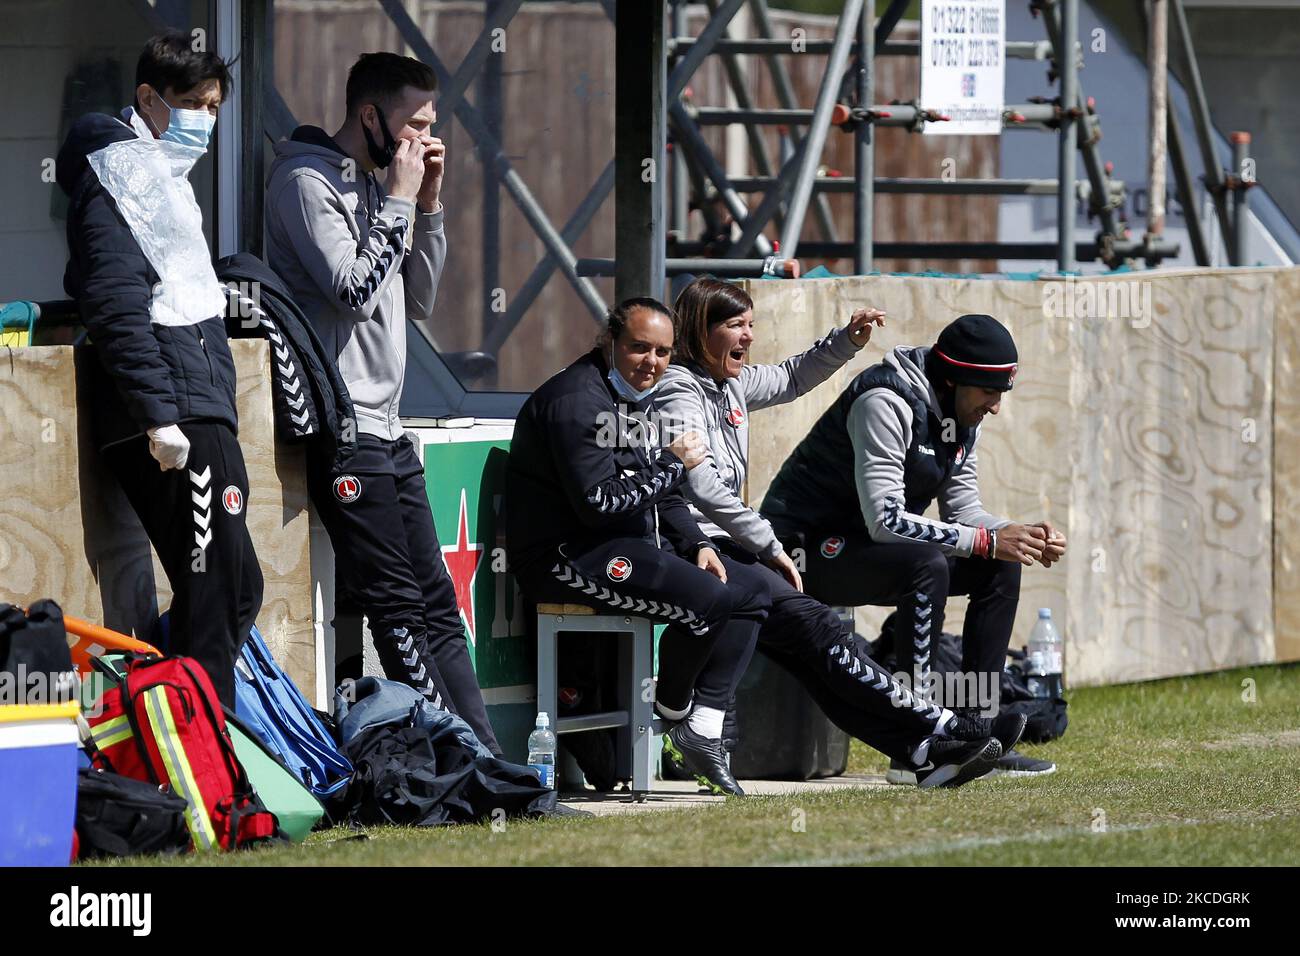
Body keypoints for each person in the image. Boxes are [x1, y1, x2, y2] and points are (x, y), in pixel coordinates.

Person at [652, 279, 1016, 788]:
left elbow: (789, 378)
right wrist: (769, 543)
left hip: (741, 550)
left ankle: (923, 745)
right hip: (716, 548)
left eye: (751, 324)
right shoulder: (678, 391)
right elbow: (704, 487)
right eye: (736, 325)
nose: (749, 337)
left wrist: (843, 343)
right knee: (829, 631)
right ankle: (940, 727)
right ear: (699, 330)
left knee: (818, 653)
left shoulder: (729, 384)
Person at [264, 51, 500, 754]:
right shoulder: (305, 182)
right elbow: (355, 291)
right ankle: (447, 758)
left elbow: (416, 296)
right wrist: (399, 198)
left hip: (390, 431)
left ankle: (485, 759)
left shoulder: (380, 187)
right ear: (369, 116)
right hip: (346, 430)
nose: (424, 141)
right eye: (412, 125)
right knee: (396, 612)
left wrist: (427, 205)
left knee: (439, 609)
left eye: (433, 125)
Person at [761, 312, 1067, 780]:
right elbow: (884, 521)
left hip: (865, 545)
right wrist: (987, 539)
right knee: (929, 564)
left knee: (999, 566)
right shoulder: (885, 400)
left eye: (1001, 394)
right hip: (802, 551)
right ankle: (917, 744)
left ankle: (976, 734)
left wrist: (1015, 535)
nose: (995, 407)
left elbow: (964, 512)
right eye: (989, 393)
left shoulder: (962, 414)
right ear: (952, 379)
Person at [56, 32, 261, 708]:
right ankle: (205, 771)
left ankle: (169, 712)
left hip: (198, 406)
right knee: (212, 595)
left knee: (236, 588)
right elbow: (114, 299)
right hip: (174, 418)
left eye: (214, 105)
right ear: (148, 98)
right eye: (192, 103)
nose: (206, 119)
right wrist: (159, 415)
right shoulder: (118, 173)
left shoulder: (161, 181)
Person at [505, 298, 773, 795]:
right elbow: (601, 502)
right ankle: (671, 716)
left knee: (752, 590)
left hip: (618, 545)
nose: (651, 362)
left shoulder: (633, 397)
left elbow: (656, 493)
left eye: (663, 352)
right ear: (609, 342)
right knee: (712, 600)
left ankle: (699, 729)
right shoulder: (578, 401)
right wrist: (673, 463)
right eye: (638, 348)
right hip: (565, 557)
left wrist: (695, 544)